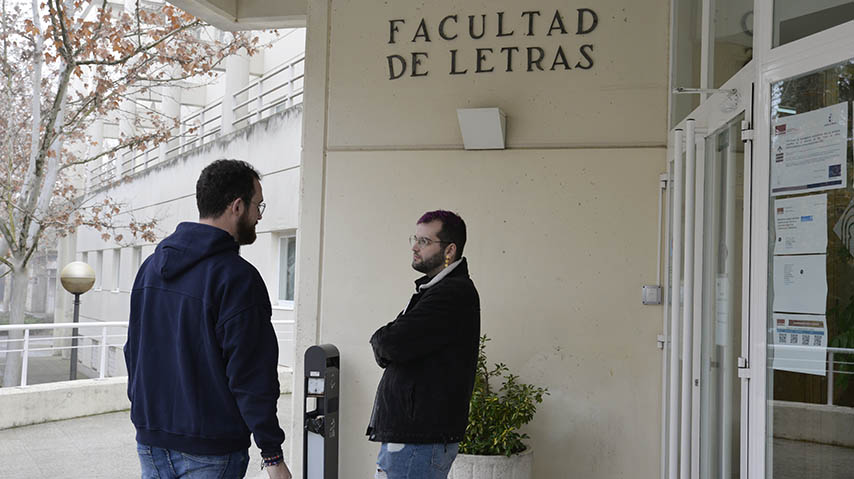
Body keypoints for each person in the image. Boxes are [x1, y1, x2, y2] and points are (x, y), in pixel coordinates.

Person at [124, 159, 291, 479]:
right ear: (237, 206)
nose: (259, 215)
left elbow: (133, 352)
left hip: (150, 443)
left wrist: (146, 418)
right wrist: (272, 455)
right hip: (211, 449)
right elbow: (253, 375)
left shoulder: (150, 268)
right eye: (258, 205)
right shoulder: (237, 278)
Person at [367, 210, 481, 479]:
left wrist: (383, 339)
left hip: (419, 440)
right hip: (415, 438)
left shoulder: (452, 293)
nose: (415, 247)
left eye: (424, 241)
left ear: (449, 250)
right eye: (414, 239)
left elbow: (391, 343)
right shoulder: (434, 290)